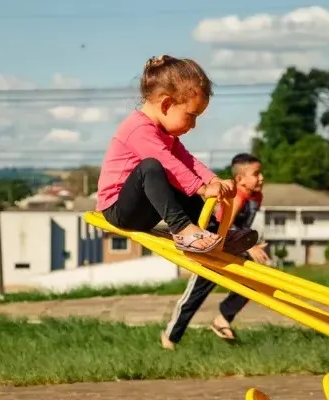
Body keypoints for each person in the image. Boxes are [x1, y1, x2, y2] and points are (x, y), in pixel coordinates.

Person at [96, 54, 259, 255]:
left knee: (180, 178)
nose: (193, 125)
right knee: (152, 168)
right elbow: (167, 163)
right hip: (119, 209)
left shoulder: (164, 134)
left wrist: (214, 180)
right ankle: (183, 230)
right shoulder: (138, 128)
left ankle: (215, 232)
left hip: (146, 207)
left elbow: (188, 161)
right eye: (191, 116)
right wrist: (202, 188)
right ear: (166, 105)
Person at [161, 153, 270, 350]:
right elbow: (222, 225)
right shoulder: (236, 197)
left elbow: (242, 225)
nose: (261, 178)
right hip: (212, 249)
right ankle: (169, 338)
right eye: (256, 173)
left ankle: (222, 318)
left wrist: (252, 244)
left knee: (254, 280)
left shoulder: (256, 197)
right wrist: (250, 246)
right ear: (240, 179)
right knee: (195, 296)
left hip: (230, 251)